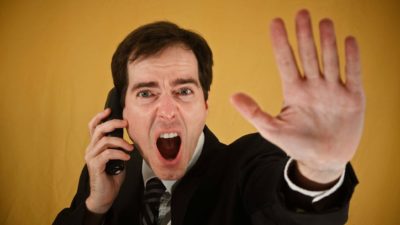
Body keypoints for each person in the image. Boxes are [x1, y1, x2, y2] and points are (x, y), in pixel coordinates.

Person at [53, 9, 365, 225]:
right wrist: (95, 207)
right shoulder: (106, 172)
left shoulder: (249, 164)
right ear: (121, 111)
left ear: (205, 104)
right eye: (146, 93)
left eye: (184, 91)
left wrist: (319, 172)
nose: (167, 110)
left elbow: (290, 216)